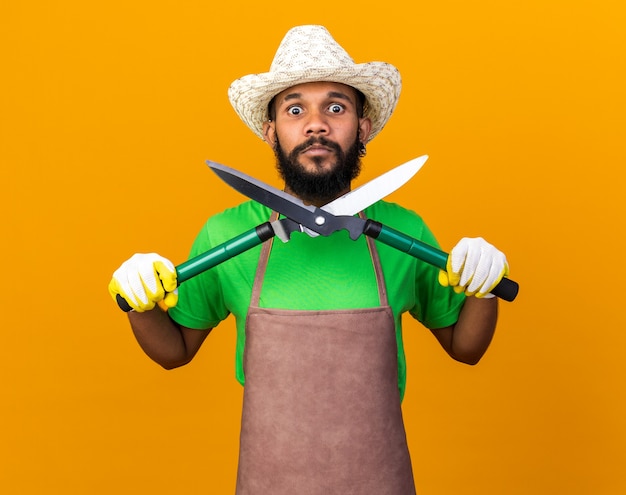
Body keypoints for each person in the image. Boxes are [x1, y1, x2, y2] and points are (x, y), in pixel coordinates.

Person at [109, 25, 510, 495]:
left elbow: (467, 347)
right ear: (271, 130)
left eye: (335, 107)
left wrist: (485, 286)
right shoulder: (226, 234)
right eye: (294, 109)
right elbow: (173, 352)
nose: (315, 124)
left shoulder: (404, 232)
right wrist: (137, 300)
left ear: (361, 127)